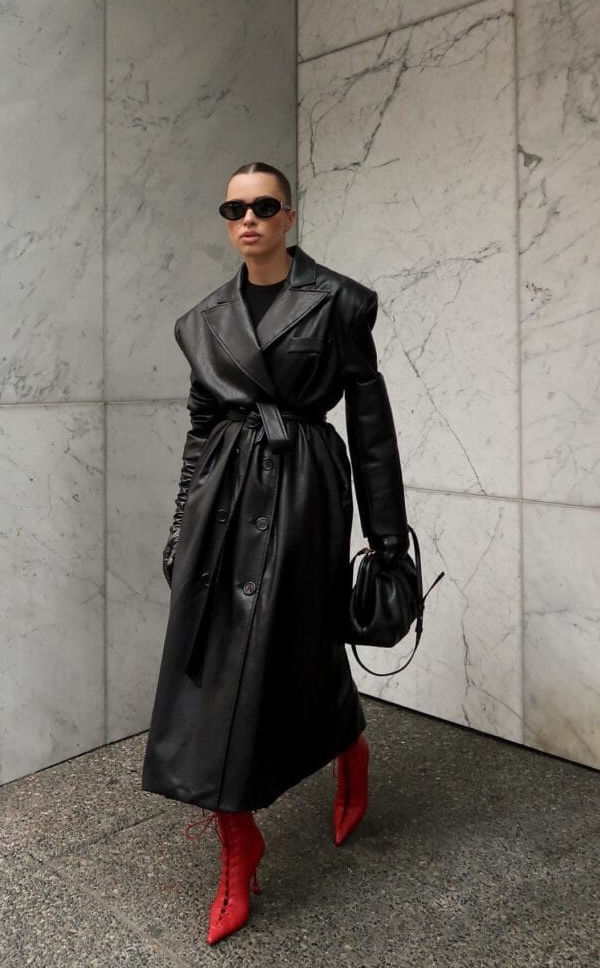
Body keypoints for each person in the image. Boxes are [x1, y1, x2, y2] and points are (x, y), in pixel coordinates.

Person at [141, 161, 409, 945]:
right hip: (223, 503)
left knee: (298, 643)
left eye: (264, 205)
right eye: (235, 207)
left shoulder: (339, 303)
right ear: (226, 220)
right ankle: (237, 843)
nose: (249, 218)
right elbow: (200, 429)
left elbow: (371, 430)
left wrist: (387, 543)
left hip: (304, 493)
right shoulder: (203, 320)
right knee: (211, 669)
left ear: (289, 215)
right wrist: (180, 524)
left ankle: (346, 745)